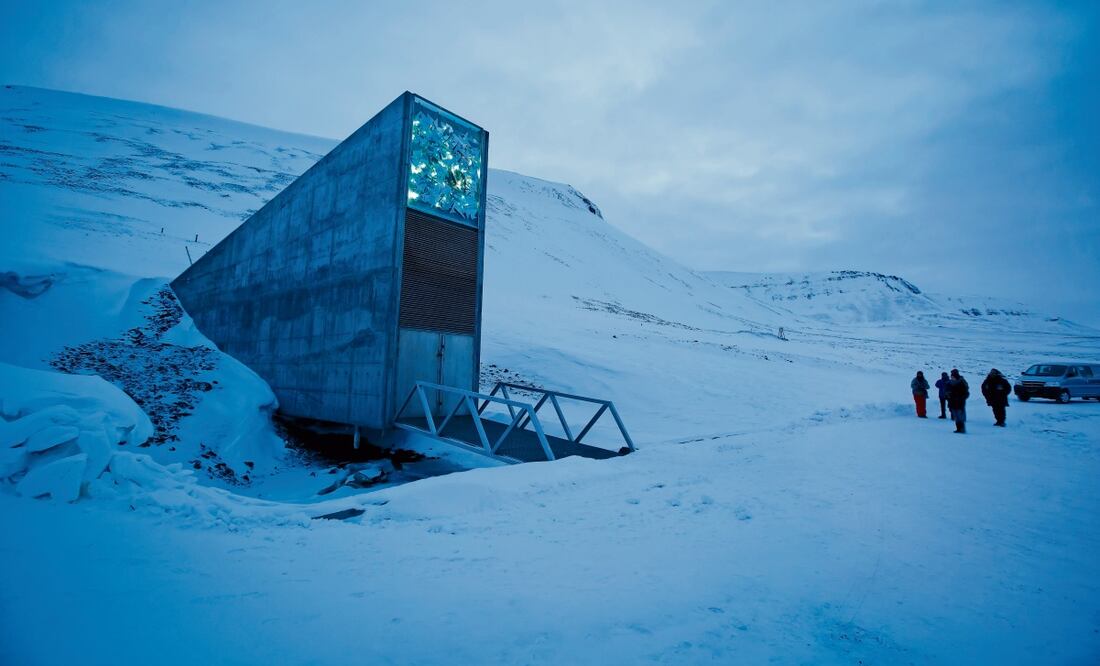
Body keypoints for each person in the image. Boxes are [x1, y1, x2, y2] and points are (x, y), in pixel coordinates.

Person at [947, 368, 969, 434]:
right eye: (951, 376)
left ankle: (962, 429)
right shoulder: (950, 383)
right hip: (952, 402)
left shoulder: (962, 382)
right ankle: (958, 428)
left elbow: (966, 393)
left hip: (960, 402)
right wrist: (948, 395)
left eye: (953, 377)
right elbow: (947, 390)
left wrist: (961, 398)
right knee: (956, 416)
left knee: (960, 416)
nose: (952, 378)